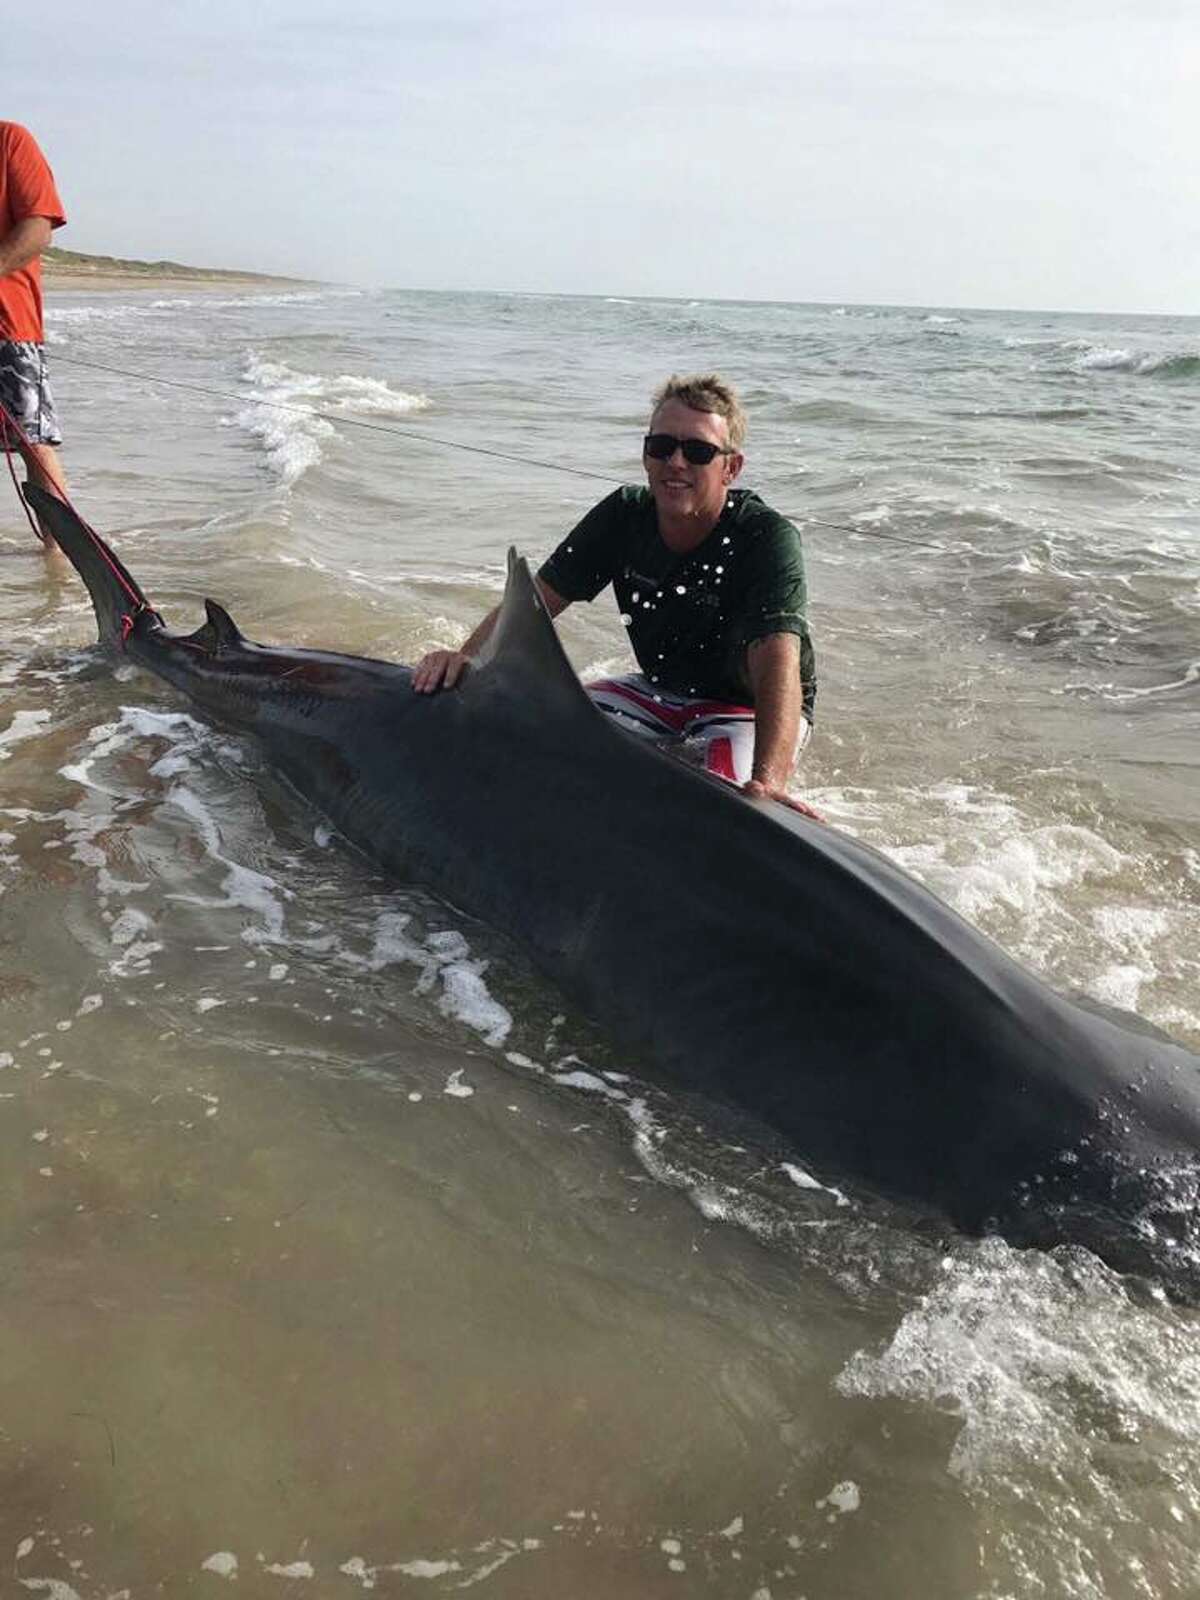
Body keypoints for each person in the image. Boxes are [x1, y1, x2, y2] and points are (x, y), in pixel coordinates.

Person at [414, 373, 817, 807]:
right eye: (662, 447)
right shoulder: (624, 514)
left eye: (698, 451)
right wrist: (466, 656)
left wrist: (768, 780)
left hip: (743, 709)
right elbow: (537, 601)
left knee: (720, 805)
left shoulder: (766, 537)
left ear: (731, 468)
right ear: (645, 455)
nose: (676, 463)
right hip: (658, 691)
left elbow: (778, 657)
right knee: (540, 736)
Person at [0, 120, 68, 554]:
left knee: (35, 447)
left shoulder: (11, 141)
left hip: (9, 328)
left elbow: (38, 229)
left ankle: (62, 566)